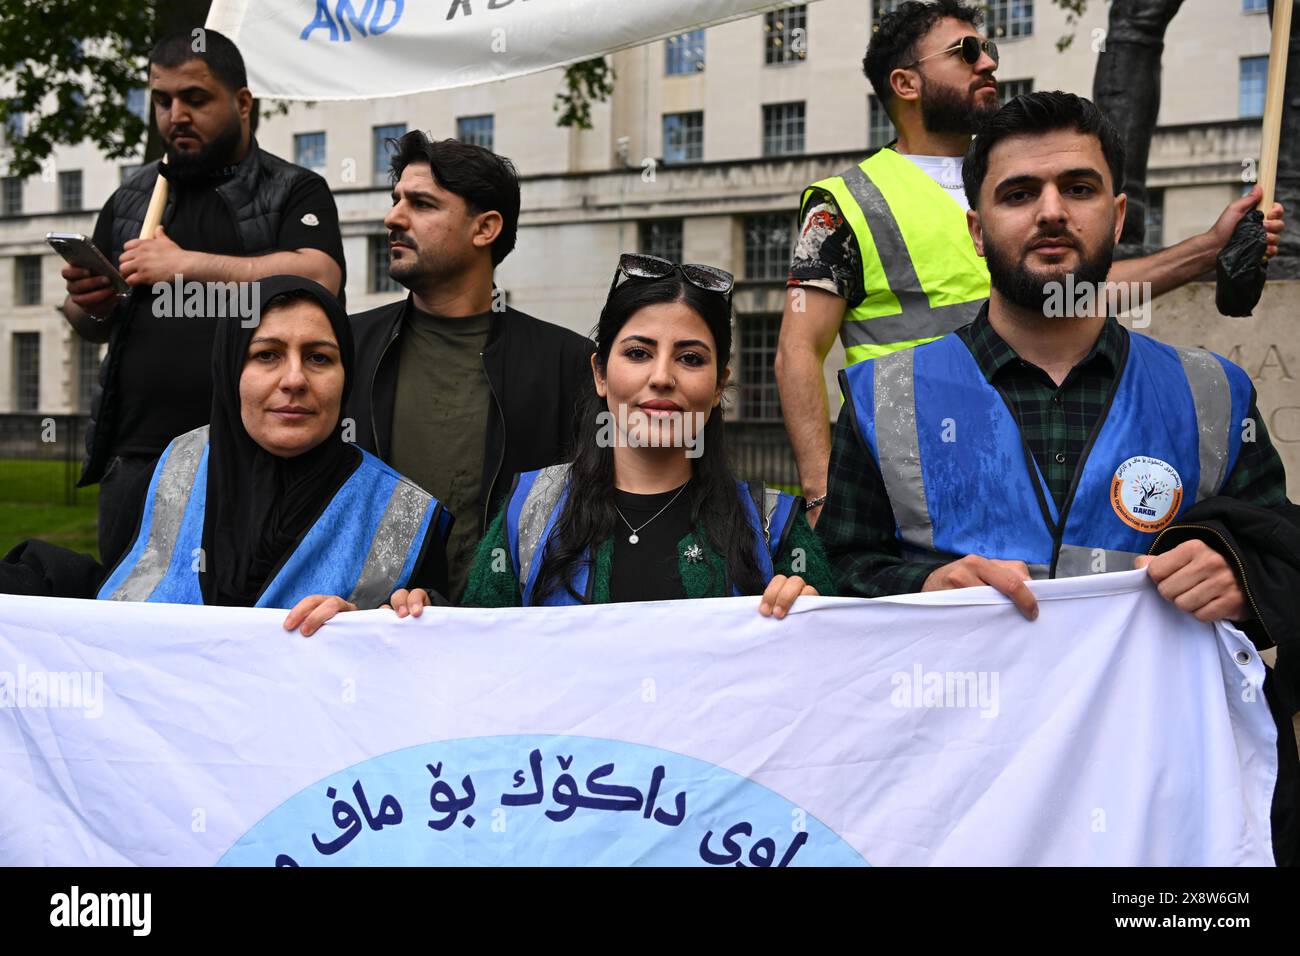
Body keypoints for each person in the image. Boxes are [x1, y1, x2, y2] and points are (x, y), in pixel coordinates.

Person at [817, 91, 1299, 864]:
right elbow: (829, 576)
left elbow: (1286, 555)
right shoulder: (886, 397)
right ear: (977, 231)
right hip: (957, 804)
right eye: (1018, 193)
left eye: (1076, 189)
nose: (1050, 212)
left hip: (1161, 806)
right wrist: (916, 589)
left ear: (1118, 215)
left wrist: (1241, 576)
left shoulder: (1214, 393)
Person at [776, 0, 1286, 526]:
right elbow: (797, 349)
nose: (989, 62)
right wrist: (820, 493)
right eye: (966, 51)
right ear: (905, 83)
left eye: (989, 49)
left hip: (1049, 437)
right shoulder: (846, 204)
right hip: (922, 470)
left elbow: (1082, 293)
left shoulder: (1016, 176)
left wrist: (1209, 248)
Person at [4, 277, 450, 638]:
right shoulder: (175, 465)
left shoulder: (406, 514)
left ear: (344, 376)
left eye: (318, 358)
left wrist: (377, 627)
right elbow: (119, 591)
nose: (294, 379)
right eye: (267, 355)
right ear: (230, 368)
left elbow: (431, 667)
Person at [60, 29, 346, 564]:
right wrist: (89, 301)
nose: (175, 115)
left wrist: (184, 265)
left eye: (195, 98)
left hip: (246, 457)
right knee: (127, 617)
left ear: (242, 103)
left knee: (239, 614)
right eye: (163, 100)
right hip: (137, 457)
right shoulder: (131, 196)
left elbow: (317, 277)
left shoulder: (291, 188)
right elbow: (90, 322)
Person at [420, 253, 832, 616]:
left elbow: (836, 676)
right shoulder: (528, 513)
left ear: (719, 386)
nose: (661, 377)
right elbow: (476, 658)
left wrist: (815, 619)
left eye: (690, 358)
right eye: (638, 353)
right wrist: (414, 617)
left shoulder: (774, 528)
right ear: (600, 373)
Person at [348, 131, 595, 603]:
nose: (393, 217)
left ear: (485, 229)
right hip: (364, 632)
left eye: (421, 204)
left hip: (509, 639)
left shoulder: (568, 364)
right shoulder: (345, 347)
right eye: (396, 199)